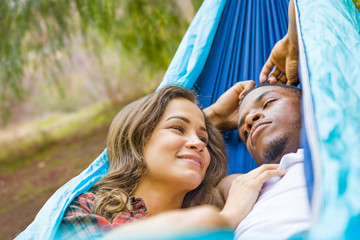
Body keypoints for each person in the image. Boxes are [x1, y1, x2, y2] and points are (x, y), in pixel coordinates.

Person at [55, 85, 286, 239]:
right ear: (137, 140)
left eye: (204, 138)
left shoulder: (220, 197)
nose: (198, 143)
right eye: (177, 128)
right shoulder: (87, 207)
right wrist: (227, 218)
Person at [205, 79, 311, 240]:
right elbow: (164, 179)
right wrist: (215, 116)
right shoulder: (246, 184)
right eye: (244, 133)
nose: (249, 121)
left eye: (268, 103)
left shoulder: (345, 141)